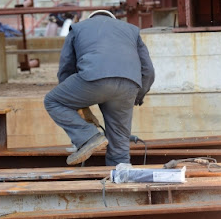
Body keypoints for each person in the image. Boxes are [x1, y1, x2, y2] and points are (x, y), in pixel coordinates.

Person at [44, 10, 155, 166]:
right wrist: (137, 96)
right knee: (119, 148)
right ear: (114, 19)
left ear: (91, 19)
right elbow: (148, 71)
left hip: (92, 78)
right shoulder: (131, 30)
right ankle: (120, 181)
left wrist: (77, 102)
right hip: (128, 86)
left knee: (52, 101)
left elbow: (66, 68)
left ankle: (88, 137)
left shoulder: (78, 28)